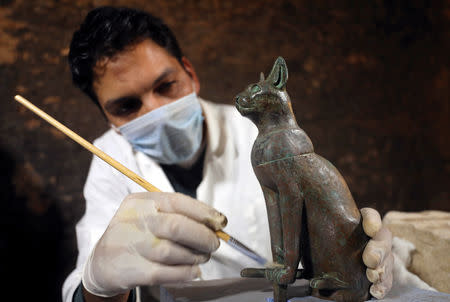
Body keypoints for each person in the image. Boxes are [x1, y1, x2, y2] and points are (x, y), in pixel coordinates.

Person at [62, 6, 394, 302]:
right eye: (127, 106)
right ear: (108, 119)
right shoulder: (108, 157)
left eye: (166, 86)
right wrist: (98, 284)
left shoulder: (257, 133)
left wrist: (357, 249)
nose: (155, 111)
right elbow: (81, 290)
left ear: (190, 75)